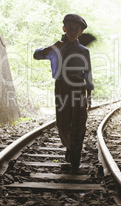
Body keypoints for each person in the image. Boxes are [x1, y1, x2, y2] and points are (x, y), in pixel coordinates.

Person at [33, 14, 94, 171]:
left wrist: (89, 96)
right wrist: (53, 47)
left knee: (79, 124)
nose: (73, 32)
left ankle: (75, 157)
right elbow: (36, 55)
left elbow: (88, 73)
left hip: (79, 88)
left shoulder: (83, 51)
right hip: (62, 88)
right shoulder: (57, 48)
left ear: (80, 32)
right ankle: (70, 149)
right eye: (70, 29)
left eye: (76, 29)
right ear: (64, 29)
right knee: (63, 124)